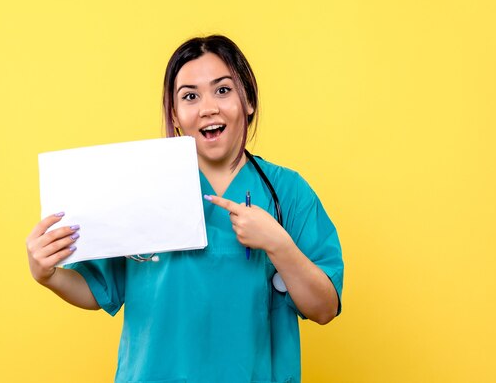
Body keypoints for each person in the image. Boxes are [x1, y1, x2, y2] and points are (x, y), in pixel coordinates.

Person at [26, 35, 344, 383]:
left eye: (223, 90)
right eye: (190, 96)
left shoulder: (287, 192)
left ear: (248, 100)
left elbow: (325, 308)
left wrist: (278, 244)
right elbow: (99, 288)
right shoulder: (140, 185)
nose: (208, 107)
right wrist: (48, 275)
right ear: (175, 114)